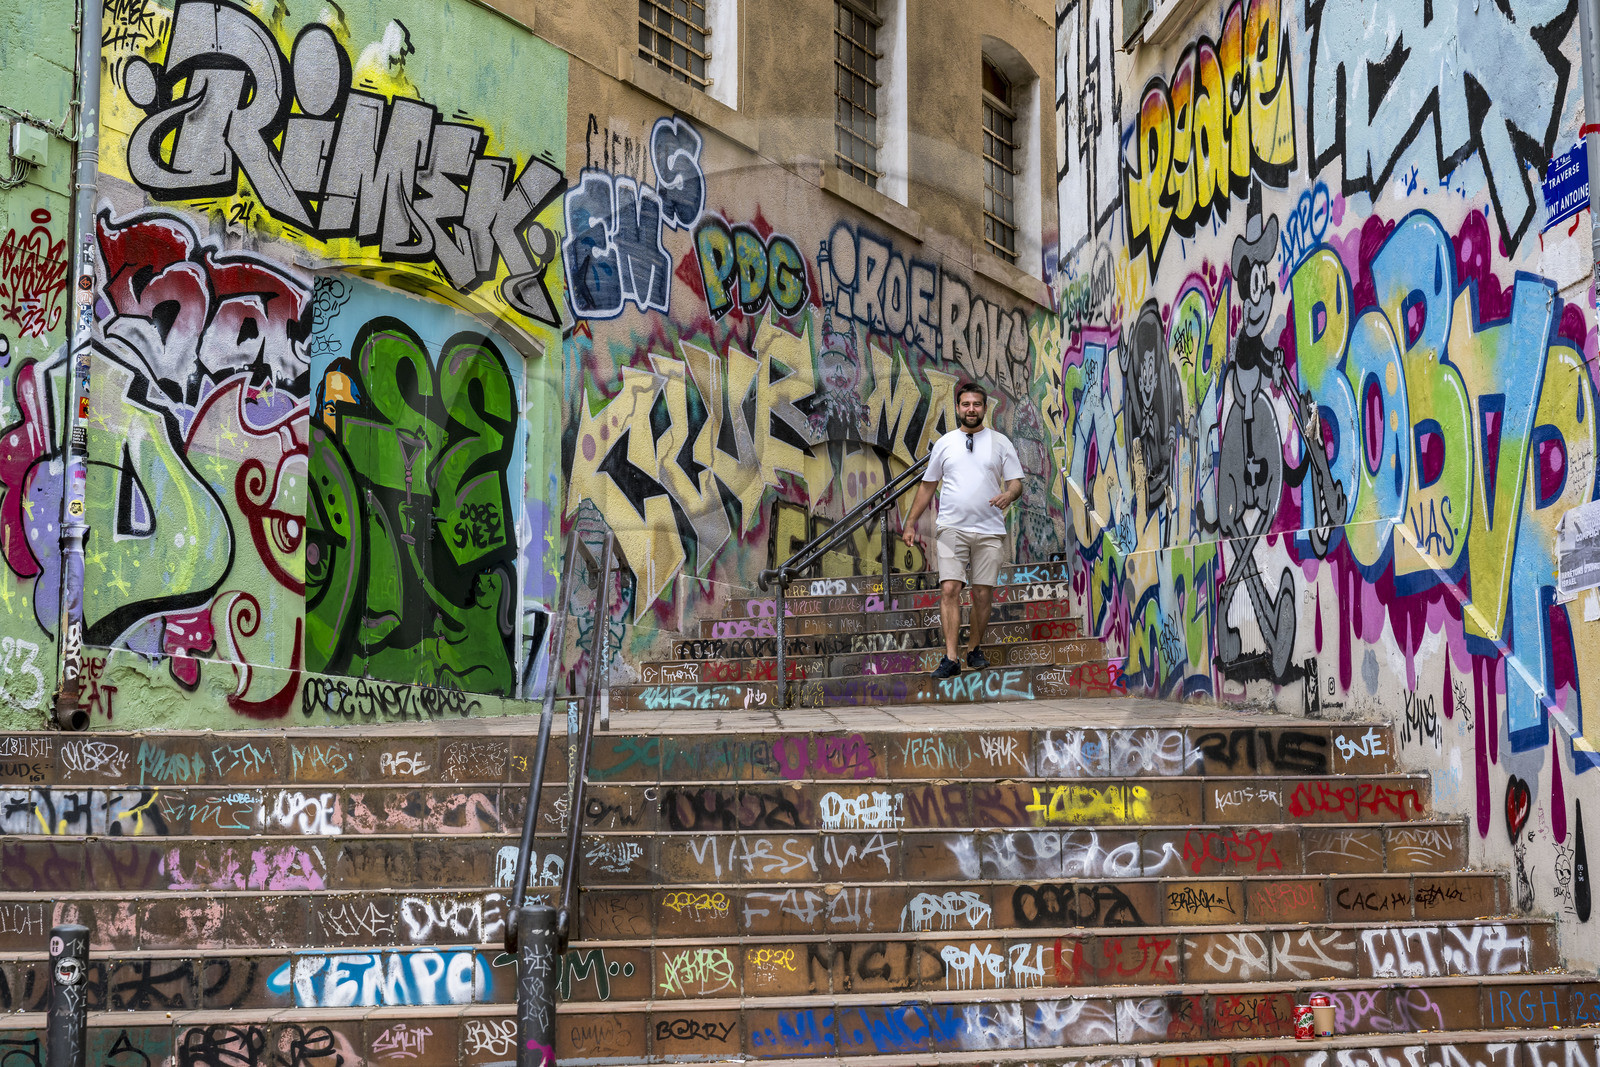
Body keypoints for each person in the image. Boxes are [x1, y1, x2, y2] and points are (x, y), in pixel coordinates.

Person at [902, 382, 1024, 680]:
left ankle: (975, 649)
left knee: (982, 593)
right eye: (966, 404)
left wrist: (1009, 495)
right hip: (950, 529)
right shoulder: (945, 444)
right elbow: (928, 485)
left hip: (990, 530)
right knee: (949, 589)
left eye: (977, 404)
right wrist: (910, 522)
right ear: (957, 408)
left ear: (985, 408)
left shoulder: (1000, 443)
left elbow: (1016, 482)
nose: (971, 409)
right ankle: (951, 657)